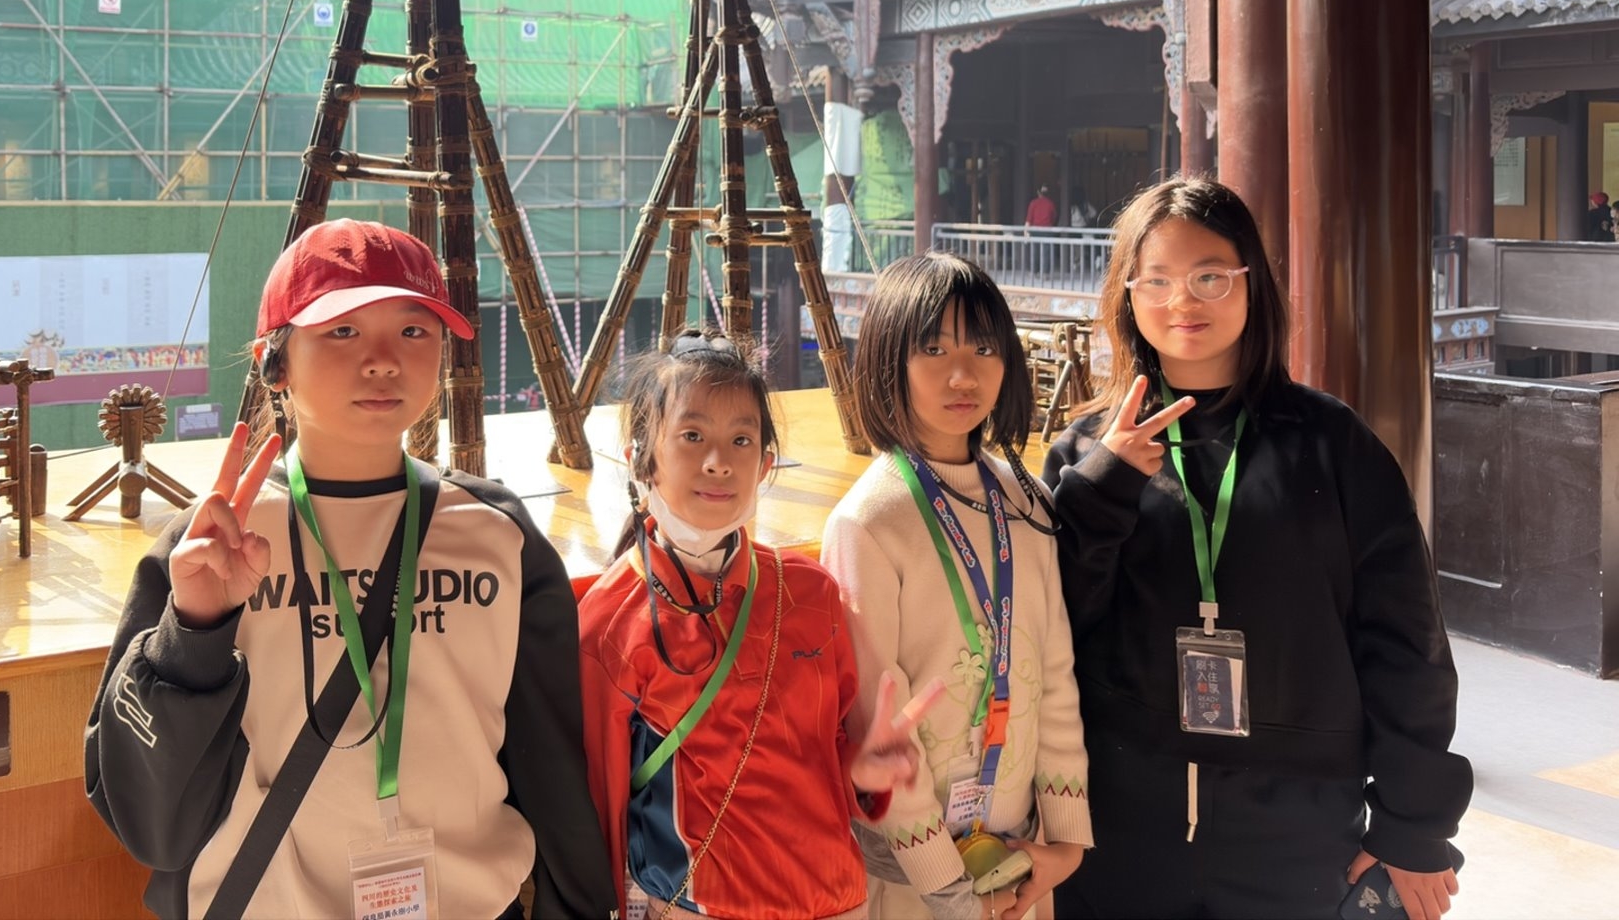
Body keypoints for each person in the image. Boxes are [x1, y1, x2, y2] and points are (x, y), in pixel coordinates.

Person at [86, 219, 614, 920]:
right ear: (274, 363)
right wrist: (194, 632)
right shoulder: (211, 546)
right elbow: (147, 821)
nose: (383, 360)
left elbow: (551, 765)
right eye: (342, 331)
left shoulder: (497, 534)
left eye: (414, 330)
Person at [1042, 178, 1470, 920]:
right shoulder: (1086, 452)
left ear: (1251, 283)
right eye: (1157, 280)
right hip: (1119, 832)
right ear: (1127, 295)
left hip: (1297, 836)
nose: (1183, 300)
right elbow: (1051, 637)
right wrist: (1104, 487)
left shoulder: (1333, 444)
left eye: (1210, 276)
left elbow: (1406, 643)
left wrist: (1414, 823)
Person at [580, 332, 934, 920]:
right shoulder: (610, 621)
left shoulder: (812, 592)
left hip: (837, 898)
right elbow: (603, 800)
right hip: (701, 907)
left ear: (766, 463)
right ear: (641, 456)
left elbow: (829, 753)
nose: (719, 461)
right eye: (692, 436)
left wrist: (866, 770)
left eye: (741, 440)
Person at [824, 252, 1091, 920]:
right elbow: (875, 725)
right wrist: (949, 889)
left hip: (1020, 864)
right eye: (934, 349)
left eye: (984, 348)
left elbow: (1055, 673)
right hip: (913, 884)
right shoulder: (867, 522)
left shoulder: (1025, 501)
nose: (963, 373)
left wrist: (1064, 840)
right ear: (889, 360)